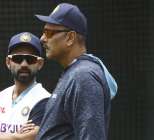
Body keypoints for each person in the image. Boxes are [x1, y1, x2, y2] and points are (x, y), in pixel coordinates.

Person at [31, 3, 118, 140]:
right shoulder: (74, 71)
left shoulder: (83, 76)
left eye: (49, 33)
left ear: (70, 38)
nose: (42, 38)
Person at [0, 32, 50, 140]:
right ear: (8, 62)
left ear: (39, 64)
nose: (24, 64)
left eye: (30, 59)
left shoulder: (45, 100)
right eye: (17, 58)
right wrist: (16, 136)